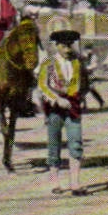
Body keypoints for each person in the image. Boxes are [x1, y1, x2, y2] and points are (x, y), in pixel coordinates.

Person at [38, 31, 88, 195]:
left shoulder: (78, 62)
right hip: (55, 108)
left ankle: (75, 182)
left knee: (76, 142)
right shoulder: (48, 63)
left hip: (73, 106)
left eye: (70, 45)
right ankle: (55, 181)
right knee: (54, 143)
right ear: (57, 46)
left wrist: (79, 97)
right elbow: (43, 86)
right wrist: (56, 99)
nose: (67, 49)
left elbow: (86, 83)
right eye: (64, 46)